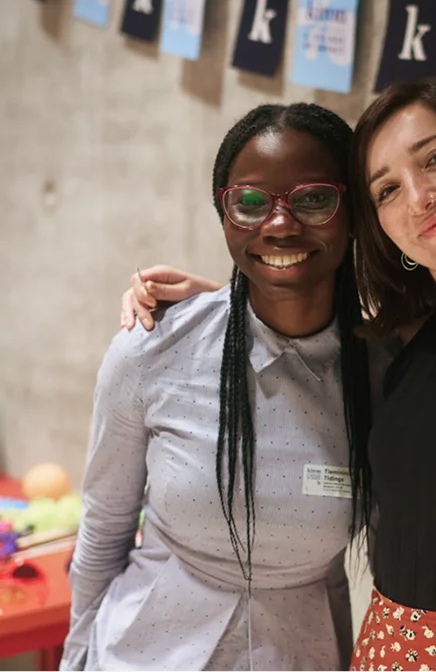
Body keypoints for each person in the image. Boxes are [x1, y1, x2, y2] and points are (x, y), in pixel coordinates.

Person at [123, 79, 436, 671]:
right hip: (381, 654)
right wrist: (223, 311)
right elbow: (301, 338)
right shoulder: (401, 342)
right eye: (388, 189)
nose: (421, 197)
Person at [63, 103, 375, 671]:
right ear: (225, 216)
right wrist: (75, 658)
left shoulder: (378, 375)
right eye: (251, 203)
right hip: (142, 653)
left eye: (313, 199)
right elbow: (104, 531)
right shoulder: (151, 350)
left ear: (352, 209)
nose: (280, 224)